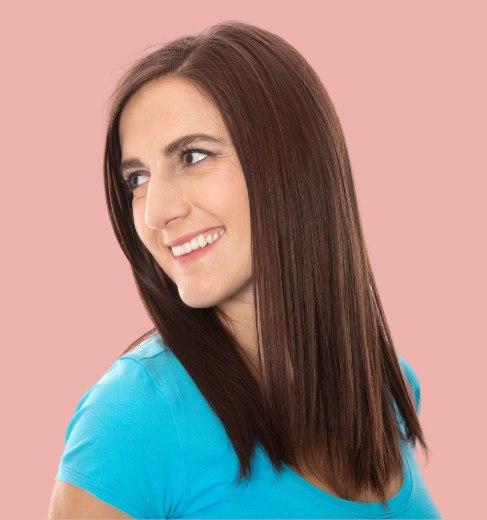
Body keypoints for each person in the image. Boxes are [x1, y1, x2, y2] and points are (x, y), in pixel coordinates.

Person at [48, 20, 441, 519]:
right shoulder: (131, 423)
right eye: (137, 178)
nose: (155, 211)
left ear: (290, 163)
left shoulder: (383, 388)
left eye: (193, 156)